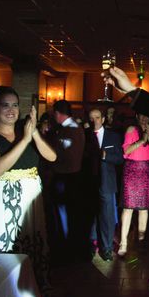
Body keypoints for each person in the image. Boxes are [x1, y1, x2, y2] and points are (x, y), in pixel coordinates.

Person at [0, 86, 56, 270]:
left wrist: (33, 131)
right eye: (5, 105)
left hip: (29, 202)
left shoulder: (26, 132)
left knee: (31, 250)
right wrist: (24, 141)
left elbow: (52, 157)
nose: (11, 110)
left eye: (15, 105)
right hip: (2, 202)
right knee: (5, 251)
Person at [119, 113, 149, 256]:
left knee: (144, 209)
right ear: (137, 117)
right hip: (132, 170)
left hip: (147, 171)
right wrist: (141, 140)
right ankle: (123, 243)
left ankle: (141, 241)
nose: (144, 119)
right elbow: (126, 150)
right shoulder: (131, 130)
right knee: (128, 208)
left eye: (147, 116)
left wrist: (148, 136)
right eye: (142, 116)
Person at [85, 109, 123, 261]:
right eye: (91, 118)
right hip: (89, 182)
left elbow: (120, 158)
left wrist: (107, 156)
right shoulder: (85, 135)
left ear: (103, 119)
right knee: (90, 216)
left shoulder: (113, 136)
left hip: (106, 182)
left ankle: (106, 248)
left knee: (106, 217)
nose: (94, 121)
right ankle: (91, 246)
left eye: (97, 117)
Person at [49, 100, 85, 250]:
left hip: (64, 176)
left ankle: (65, 245)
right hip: (75, 175)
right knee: (70, 212)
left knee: (63, 212)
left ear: (57, 113)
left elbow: (59, 155)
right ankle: (70, 243)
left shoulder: (68, 130)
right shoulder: (78, 127)